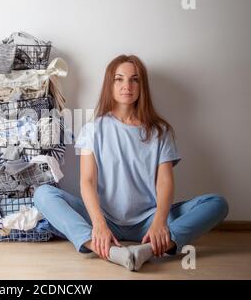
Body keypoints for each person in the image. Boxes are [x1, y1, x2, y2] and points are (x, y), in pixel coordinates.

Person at [34, 54, 229, 271]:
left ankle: (147, 250)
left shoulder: (159, 132)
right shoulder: (93, 129)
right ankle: (107, 249)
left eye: (134, 79)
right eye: (119, 79)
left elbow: (164, 182)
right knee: (43, 194)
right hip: (103, 219)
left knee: (217, 203)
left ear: (141, 85)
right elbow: (87, 181)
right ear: (110, 84)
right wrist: (99, 224)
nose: (127, 85)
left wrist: (159, 222)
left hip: (148, 221)